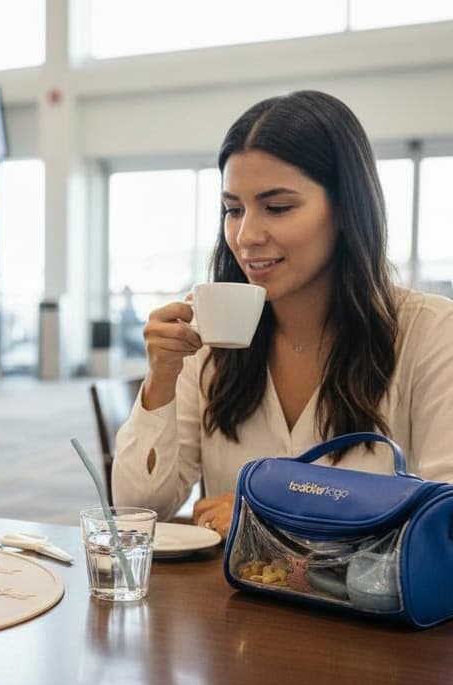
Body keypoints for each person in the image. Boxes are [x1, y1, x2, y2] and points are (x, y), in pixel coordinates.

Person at [112, 89, 453, 541]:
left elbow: (443, 519)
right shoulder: (213, 332)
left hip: (366, 611)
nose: (246, 235)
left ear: (347, 208)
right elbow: (138, 511)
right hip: (235, 607)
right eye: (233, 210)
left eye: (277, 207)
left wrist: (275, 506)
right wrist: (161, 381)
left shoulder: (428, 332)